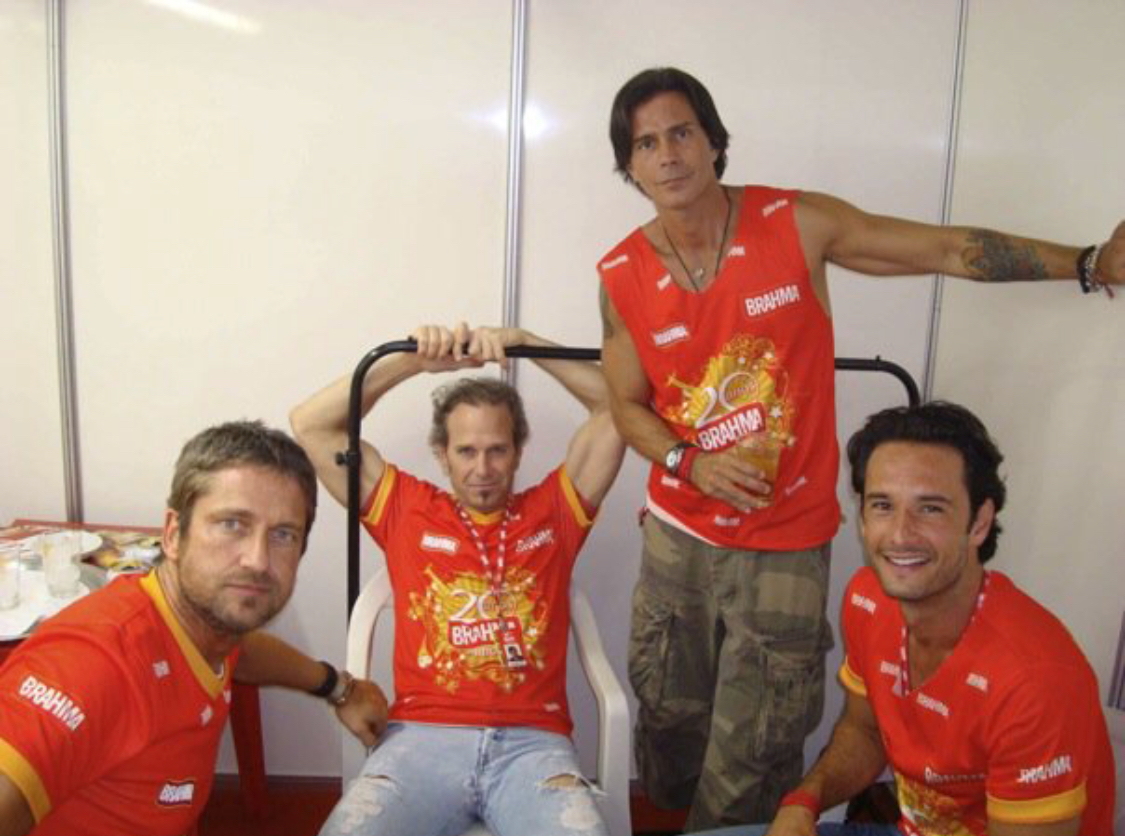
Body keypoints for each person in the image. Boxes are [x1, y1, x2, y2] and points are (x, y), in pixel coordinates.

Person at [596, 66, 1125, 829]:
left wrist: (1082, 261)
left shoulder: (793, 223)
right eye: (646, 143)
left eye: (681, 132)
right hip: (677, 538)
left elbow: (945, 250)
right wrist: (688, 462)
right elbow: (624, 403)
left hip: (783, 545)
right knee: (667, 725)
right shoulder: (620, 273)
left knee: (755, 752)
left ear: (712, 140)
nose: (668, 154)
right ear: (630, 165)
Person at [694, 401, 1115, 836]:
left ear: (979, 523)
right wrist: (804, 801)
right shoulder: (868, 597)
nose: (899, 534)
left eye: (930, 508)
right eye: (882, 505)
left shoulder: (1035, 681)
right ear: (862, 518)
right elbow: (865, 731)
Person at [290, 322, 625, 836]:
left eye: (497, 450)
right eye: (466, 451)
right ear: (442, 454)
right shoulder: (406, 510)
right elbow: (310, 425)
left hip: (533, 749)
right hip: (420, 743)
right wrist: (413, 361)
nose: (483, 468)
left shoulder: (555, 511)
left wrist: (527, 344)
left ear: (518, 451)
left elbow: (619, 408)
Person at [0, 420, 388, 836]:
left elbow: (243, 652)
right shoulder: (96, 664)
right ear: (172, 534)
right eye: (232, 524)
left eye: (283, 535)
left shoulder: (206, 629)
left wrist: (338, 687)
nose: (257, 560)